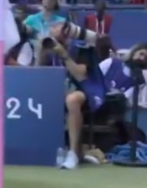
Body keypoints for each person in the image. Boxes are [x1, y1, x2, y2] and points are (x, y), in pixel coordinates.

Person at [58, 38, 147, 170]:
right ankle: (71, 153)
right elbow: (93, 78)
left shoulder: (139, 80)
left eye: (146, 57)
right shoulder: (112, 62)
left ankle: (76, 153)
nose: (142, 58)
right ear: (133, 52)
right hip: (92, 95)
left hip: (109, 107)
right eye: (141, 53)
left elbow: (125, 100)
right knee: (72, 98)